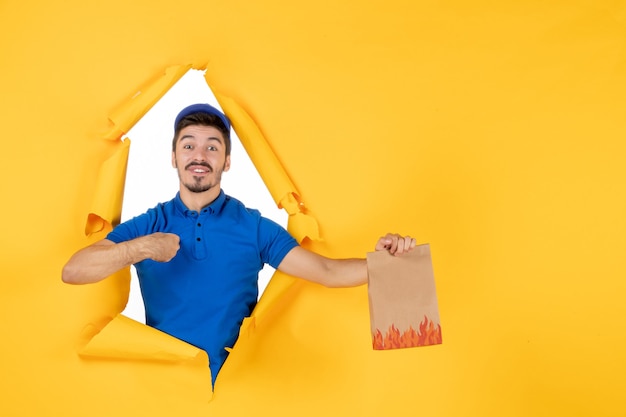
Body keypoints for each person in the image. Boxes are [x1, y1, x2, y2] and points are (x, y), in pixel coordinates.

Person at [62, 103, 416, 385]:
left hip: (239, 390)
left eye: (212, 147)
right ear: (174, 158)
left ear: (226, 162)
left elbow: (326, 271)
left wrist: (387, 261)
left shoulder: (254, 227)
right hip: (164, 392)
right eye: (188, 145)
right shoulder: (150, 224)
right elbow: (74, 271)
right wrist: (142, 247)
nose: (199, 155)